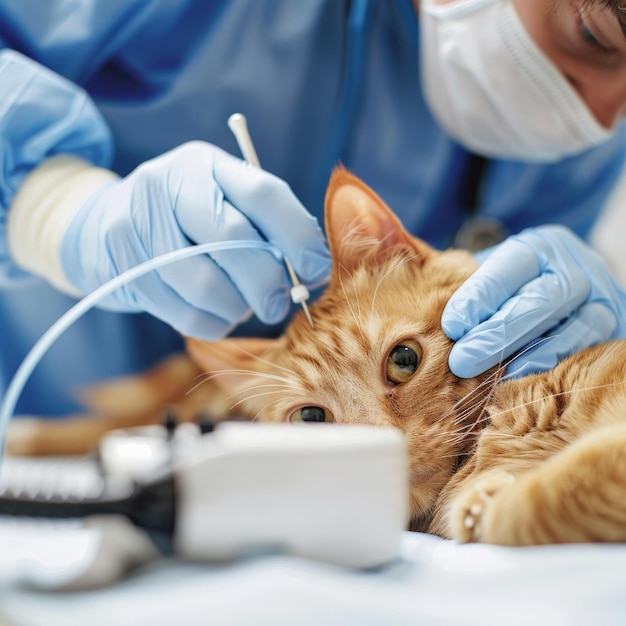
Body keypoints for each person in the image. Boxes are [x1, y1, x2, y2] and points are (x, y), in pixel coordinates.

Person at [0, 0, 625, 418]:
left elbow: (522, 350)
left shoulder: (585, 134)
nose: (602, 115)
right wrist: (48, 207)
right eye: (594, 33)